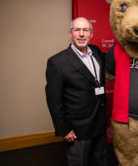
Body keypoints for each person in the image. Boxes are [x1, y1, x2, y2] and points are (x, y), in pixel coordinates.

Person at [45, 17, 107, 166]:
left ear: (91, 34)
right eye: (77, 30)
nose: (81, 34)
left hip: (99, 123)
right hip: (78, 129)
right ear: (70, 33)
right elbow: (54, 100)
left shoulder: (97, 52)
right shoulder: (57, 62)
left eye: (85, 30)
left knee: (100, 161)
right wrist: (64, 129)